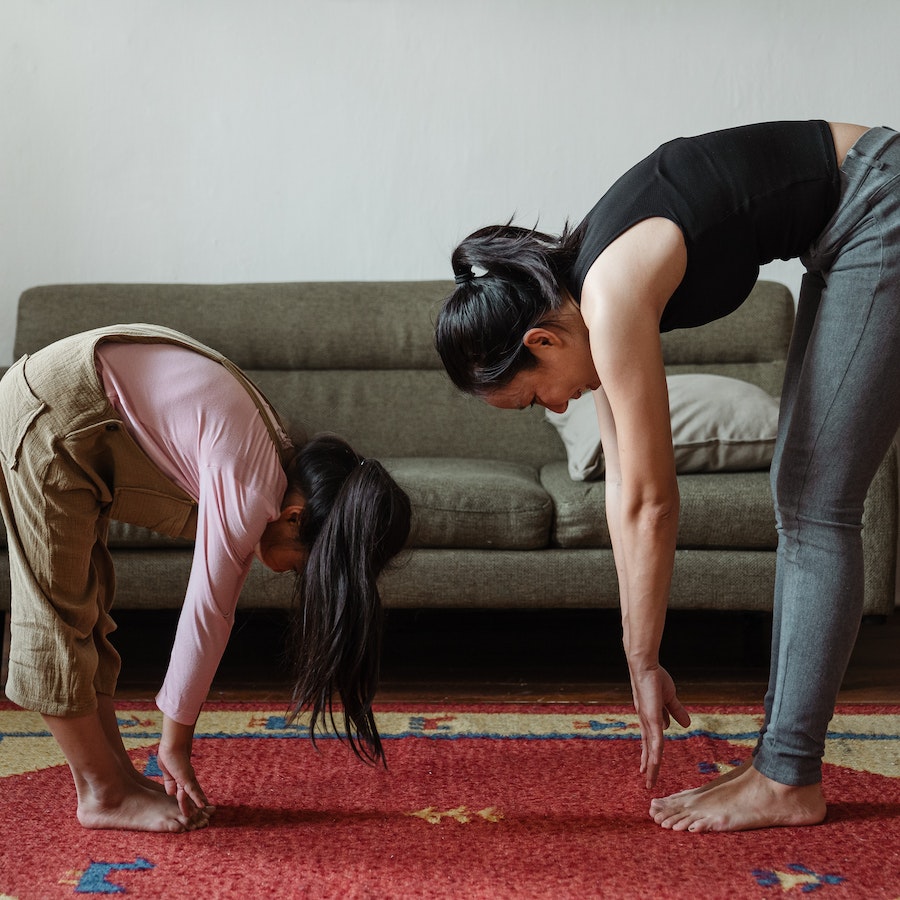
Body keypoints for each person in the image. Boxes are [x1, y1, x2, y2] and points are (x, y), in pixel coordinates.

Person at [435, 121, 899, 832]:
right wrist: (636, 653)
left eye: (537, 394)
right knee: (801, 496)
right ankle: (781, 765)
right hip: (852, 222)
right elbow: (625, 489)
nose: (557, 405)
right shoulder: (589, 286)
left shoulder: (610, 296)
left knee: (814, 505)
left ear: (542, 341)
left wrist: (646, 657)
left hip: (879, 203)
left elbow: (655, 502)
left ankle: (787, 778)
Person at [0, 323, 411, 833]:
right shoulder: (250, 489)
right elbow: (208, 613)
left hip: (75, 411)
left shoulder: (272, 464)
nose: (292, 576)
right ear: (296, 518)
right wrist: (174, 745)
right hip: (53, 414)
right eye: (303, 566)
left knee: (86, 612)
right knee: (58, 618)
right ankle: (101, 794)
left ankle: (117, 779)